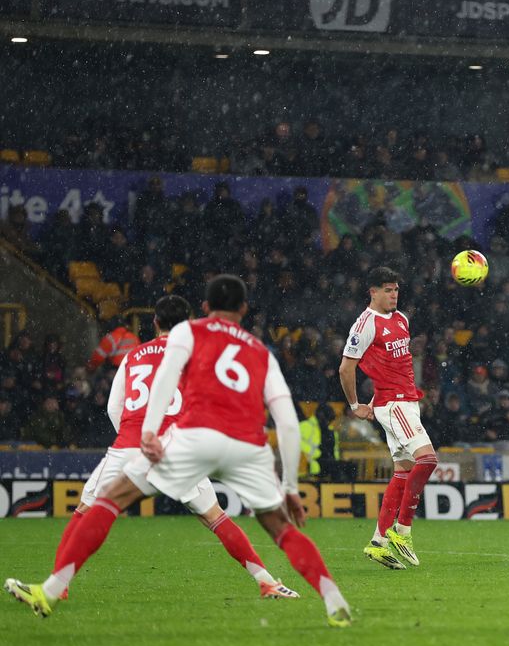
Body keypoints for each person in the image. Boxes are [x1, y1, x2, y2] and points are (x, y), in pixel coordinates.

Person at [4, 276, 351, 627]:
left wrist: (150, 433)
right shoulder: (259, 350)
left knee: (105, 503)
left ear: (199, 310)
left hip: (178, 442)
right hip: (243, 443)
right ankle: (317, 595)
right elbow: (289, 424)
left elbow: (138, 396)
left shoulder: (179, 339)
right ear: (244, 309)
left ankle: (53, 589)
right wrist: (290, 486)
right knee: (262, 525)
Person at [52, 295, 297, 600]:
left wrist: (136, 442)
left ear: (154, 322)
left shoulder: (134, 355)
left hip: (133, 444)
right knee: (216, 518)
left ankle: (58, 585)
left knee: (86, 512)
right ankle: (266, 580)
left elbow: (115, 407)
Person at [340, 267, 437, 571]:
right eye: (387, 290)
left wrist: (373, 399)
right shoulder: (365, 325)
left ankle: (379, 542)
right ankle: (402, 532)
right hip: (396, 406)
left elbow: (391, 367)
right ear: (373, 291)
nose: (394, 295)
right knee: (428, 460)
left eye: (396, 289)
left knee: (403, 472)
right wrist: (356, 404)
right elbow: (346, 368)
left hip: (403, 401)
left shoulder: (402, 319)